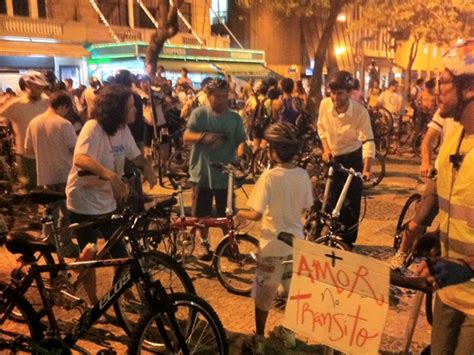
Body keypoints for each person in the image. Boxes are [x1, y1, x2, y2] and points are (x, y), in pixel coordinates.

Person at [66, 84, 156, 303]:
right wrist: (111, 175)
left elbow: (135, 156)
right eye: (131, 106)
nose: (135, 110)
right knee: (90, 255)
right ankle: (92, 301)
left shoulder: (123, 130)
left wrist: (148, 168)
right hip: (83, 201)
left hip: (107, 201)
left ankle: (125, 293)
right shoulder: (93, 127)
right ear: (117, 109)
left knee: (120, 253)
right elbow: (80, 159)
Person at [414, 38, 474, 355]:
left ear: (470, 88)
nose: (436, 89)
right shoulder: (451, 145)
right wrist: (438, 238)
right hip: (448, 293)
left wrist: (467, 266)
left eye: (444, 82)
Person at [237, 122, 313, 354]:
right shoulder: (303, 175)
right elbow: (307, 207)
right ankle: (288, 334)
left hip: (270, 247)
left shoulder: (269, 177)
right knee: (292, 293)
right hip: (294, 245)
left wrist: (239, 213)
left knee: (263, 297)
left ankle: (259, 339)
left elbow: (256, 213)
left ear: (274, 151)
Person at [183, 78, 247, 261]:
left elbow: (240, 140)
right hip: (201, 173)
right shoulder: (199, 114)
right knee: (201, 216)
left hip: (225, 175)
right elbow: (186, 135)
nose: (221, 100)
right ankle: (205, 246)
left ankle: (229, 245)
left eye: (224, 96)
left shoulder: (235, 118)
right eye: (216, 96)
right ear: (208, 96)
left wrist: (241, 156)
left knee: (226, 214)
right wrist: (203, 137)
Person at [390, 109, 460, 270]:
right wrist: (426, 162)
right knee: (420, 221)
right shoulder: (449, 109)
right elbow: (428, 140)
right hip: (442, 175)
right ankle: (401, 252)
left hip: (467, 183)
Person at [317, 71, 375, 248]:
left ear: (349, 93)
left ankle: (347, 242)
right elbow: (321, 128)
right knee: (328, 199)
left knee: (351, 202)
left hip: (352, 158)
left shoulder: (359, 112)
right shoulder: (324, 105)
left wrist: (367, 169)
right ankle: (322, 236)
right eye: (332, 93)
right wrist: (326, 150)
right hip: (333, 157)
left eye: (340, 93)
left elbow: (368, 141)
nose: (335, 97)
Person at [24, 91, 80, 258]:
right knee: (66, 211)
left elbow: (28, 149)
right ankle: (65, 245)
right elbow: (75, 150)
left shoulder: (34, 123)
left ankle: (46, 240)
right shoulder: (63, 124)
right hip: (65, 173)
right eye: (67, 109)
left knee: (49, 210)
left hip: (45, 174)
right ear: (62, 106)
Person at [0, 71, 49, 191]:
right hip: (25, 155)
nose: (39, 91)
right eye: (36, 87)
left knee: (45, 189)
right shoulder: (16, 104)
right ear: (28, 86)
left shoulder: (47, 102)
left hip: (45, 153)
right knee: (30, 189)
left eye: (41, 88)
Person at [245, 80, 271, 152]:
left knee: (255, 146)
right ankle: (261, 159)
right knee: (264, 145)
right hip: (266, 124)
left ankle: (254, 161)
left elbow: (246, 111)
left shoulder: (252, 99)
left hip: (255, 125)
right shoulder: (269, 101)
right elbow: (270, 114)